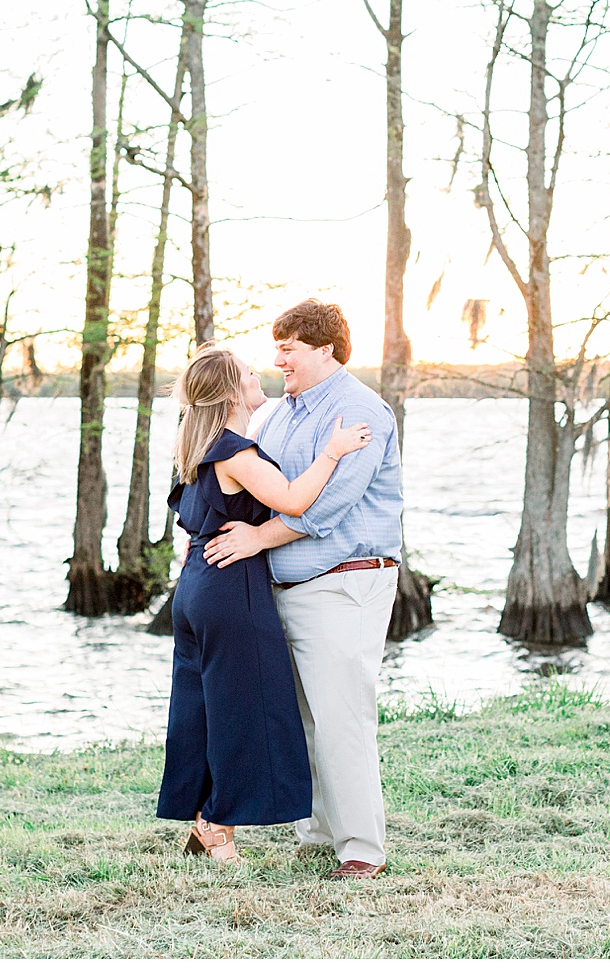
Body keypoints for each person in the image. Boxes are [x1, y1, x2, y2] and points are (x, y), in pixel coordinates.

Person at [201, 300, 403, 880]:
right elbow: (258, 488)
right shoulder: (277, 415)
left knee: (342, 718)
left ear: (325, 350)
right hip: (284, 585)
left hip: (345, 582)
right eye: (277, 348)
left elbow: (328, 504)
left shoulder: (358, 411)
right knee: (303, 720)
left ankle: (362, 850)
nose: (278, 360)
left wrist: (256, 540)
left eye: (288, 348)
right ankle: (316, 837)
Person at [157, 343, 375, 864]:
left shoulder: (197, 448)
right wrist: (333, 452)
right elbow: (295, 500)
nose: (260, 373)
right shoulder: (235, 452)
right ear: (232, 392)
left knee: (205, 708)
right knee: (246, 712)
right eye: (248, 372)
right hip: (231, 590)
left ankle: (207, 821)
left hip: (195, 586)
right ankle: (218, 827)